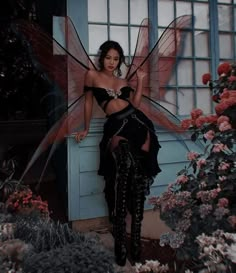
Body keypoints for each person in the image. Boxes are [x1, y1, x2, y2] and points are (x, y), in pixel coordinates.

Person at [75, 40, 161, 266]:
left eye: (116, 59)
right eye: (108, 58)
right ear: (102, 58)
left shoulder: (123, 81)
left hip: (138, 123)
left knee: (139, 178)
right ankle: (121, 243)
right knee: (121, 175)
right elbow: (87, 103)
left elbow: (136, 103)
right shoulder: (91, 75)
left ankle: (135, 243)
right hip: (116, 125)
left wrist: (140, 81)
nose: (112, 62)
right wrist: (84, 128)